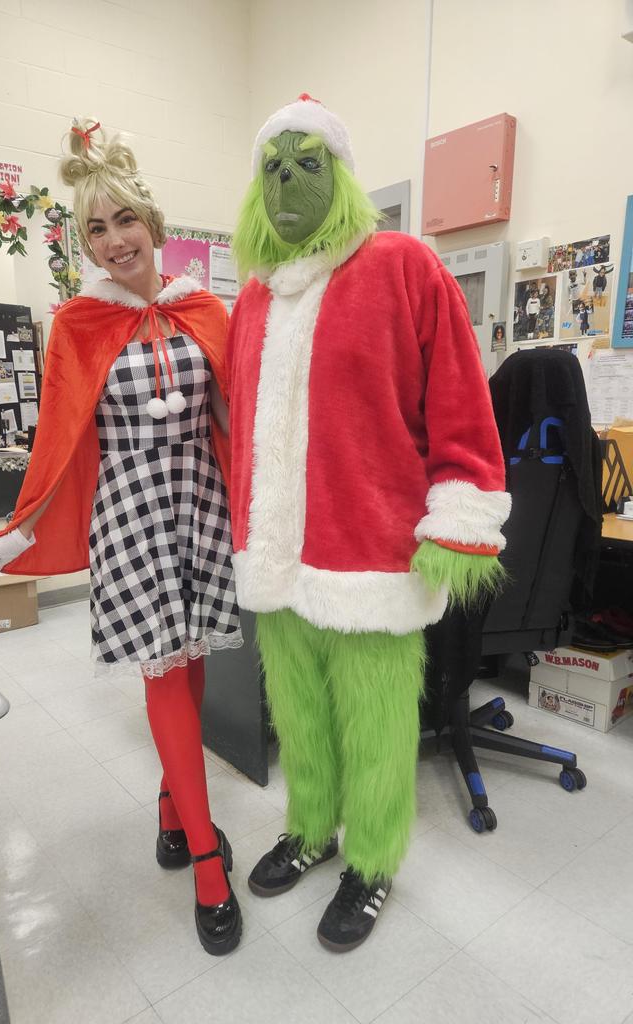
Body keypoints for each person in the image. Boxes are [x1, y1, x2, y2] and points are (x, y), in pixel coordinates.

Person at [227, 95, 510, 953]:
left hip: (373, 559)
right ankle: (311, 826)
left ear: (341, 175)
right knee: (300, 716)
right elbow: (241, 430)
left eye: (306, 164)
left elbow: (462, 407)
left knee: (377, 725)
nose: (288, 181)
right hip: (278, 558)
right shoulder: (253, 300)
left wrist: (458, 512)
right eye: (273, 167)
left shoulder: (403, 266)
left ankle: (374, 858)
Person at [0, 118, 243, 956]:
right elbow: (58, 437)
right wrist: (19, 528)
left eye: (125, 219)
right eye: (96, 228)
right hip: (131, 510)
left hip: (201, 502)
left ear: (153, 224)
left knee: (193, 665)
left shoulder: (205, 308)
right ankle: (206, 862)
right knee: (163, 670)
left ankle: (172, 810)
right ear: (85, 242)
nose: (115, 239)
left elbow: (236, 414)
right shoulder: (78, 323)